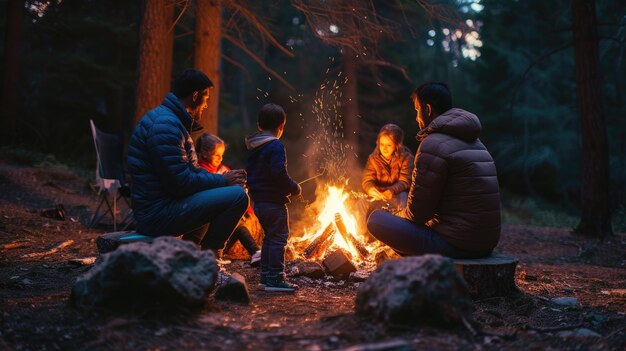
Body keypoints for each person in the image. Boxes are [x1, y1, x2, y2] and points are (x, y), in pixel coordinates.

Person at [367, 82, 501, 258]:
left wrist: (396, 215)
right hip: (486, 243)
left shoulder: (432, 144)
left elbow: (417, 215)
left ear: (427, 109)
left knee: (376, 220)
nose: (416, 118)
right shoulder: (476, 141)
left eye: (417, 110)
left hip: (456, 245)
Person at [127, 68, 249, 253]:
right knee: (238, 196)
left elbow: (191, 171)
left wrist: (223, 179)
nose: (206, 104)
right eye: (206, 99)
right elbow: (180, 183)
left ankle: (192, 257)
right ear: (194, 96)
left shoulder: (171, 122)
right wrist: (223, 180)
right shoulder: (165, 126)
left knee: (223, 191)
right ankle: (209, 260)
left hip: (162, 207)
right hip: (157, 215)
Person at [245, 103, 301, 292]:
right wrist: (294, 188)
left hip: (259, 202)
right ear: (281, 126)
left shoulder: (253, 147)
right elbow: (278, 173)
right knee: (279, 238)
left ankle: (266, 277)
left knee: (270, 238)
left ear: (259, 125)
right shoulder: (275, 145)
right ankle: (275, 279)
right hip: (273, 203)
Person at [195, 132, 261, 265]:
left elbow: (237, 193)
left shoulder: (225, 170)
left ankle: (255, 252)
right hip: (207, 225)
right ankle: (255, 252)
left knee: (238, 222)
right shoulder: (200, 171)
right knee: (237, 223)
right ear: (205, 153)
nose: (220, 158)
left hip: (224, 228)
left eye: (222, 155)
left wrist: (249, 212)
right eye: (217, 155)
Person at [362, 123, 413, 209]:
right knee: (361, 203)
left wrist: (392, 190)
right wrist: (370, 188)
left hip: (398, 194)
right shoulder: (373, 158)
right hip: (379, 195)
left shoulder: (406, 158)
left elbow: (405, 181)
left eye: (388, 145)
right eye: (382, 144)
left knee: (403, 197)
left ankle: (400, 221)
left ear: (397, 145)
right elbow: (367, 179)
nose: (384, 148)